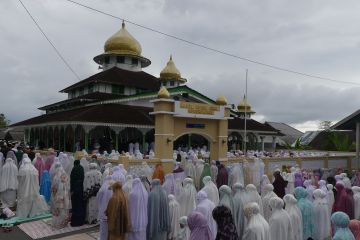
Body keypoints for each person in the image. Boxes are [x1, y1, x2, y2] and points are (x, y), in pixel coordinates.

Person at [51, 164, 71, 229]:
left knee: (59, 208)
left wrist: (54, 196)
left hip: (58, 195)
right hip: (65, 195)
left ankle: (58, 223)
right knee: (64, 208)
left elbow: (54, 188)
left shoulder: (56, 177)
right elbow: (68, 186)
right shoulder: (66, 176)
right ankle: (64, 223)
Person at [97, 175, 114, 240]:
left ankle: (103, 238)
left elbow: (99, 198)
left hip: (104, 210)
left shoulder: (103, 187)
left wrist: (100, 206)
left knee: (104, 228)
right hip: (112, 210)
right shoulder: (114, 186)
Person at [70, 159, 85, 226]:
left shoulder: (74, 169)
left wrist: (71, 190)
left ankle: (75, 222)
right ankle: (81, 221)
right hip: (81, 188)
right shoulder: (81, 168)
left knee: (75, 205)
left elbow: (72, 180)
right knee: (80, 204)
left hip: (75, 189)